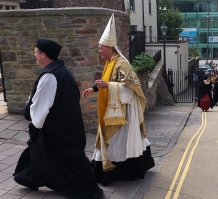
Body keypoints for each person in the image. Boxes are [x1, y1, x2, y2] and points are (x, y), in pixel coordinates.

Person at [13, 39, 103, 198]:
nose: (34, 54)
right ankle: (31, 177)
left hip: (59, 132)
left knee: (70, 162)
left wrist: (35, 121)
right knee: (43, 156)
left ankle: (90, 191)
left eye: (36, 51)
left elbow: (39, 107)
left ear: (43, 54)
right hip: (67, 128)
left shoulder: (50, 76)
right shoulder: (62, 70)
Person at [81, 13, 155, 186]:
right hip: (110, 108)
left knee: (118, 142)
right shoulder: (109, 62)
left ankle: (119, 171)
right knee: (110, 141)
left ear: (109, 48)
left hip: (123, 113)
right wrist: (94, 88)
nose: (99, 51)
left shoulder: (122, 64)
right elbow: (107, 81)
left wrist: (109, 87)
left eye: (100, 48)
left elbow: (130, 91)